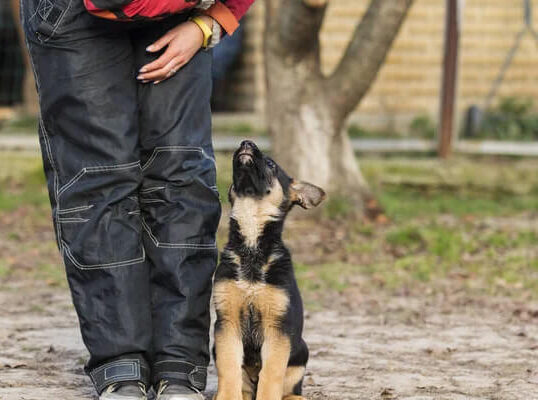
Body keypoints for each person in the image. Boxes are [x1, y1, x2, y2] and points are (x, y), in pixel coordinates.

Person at [20, 0, 254, 399]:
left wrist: (207, 23)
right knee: (99, 179)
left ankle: (179, 365)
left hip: (182, 10)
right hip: (73, 13)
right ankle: (120, 362)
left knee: (181, 175)